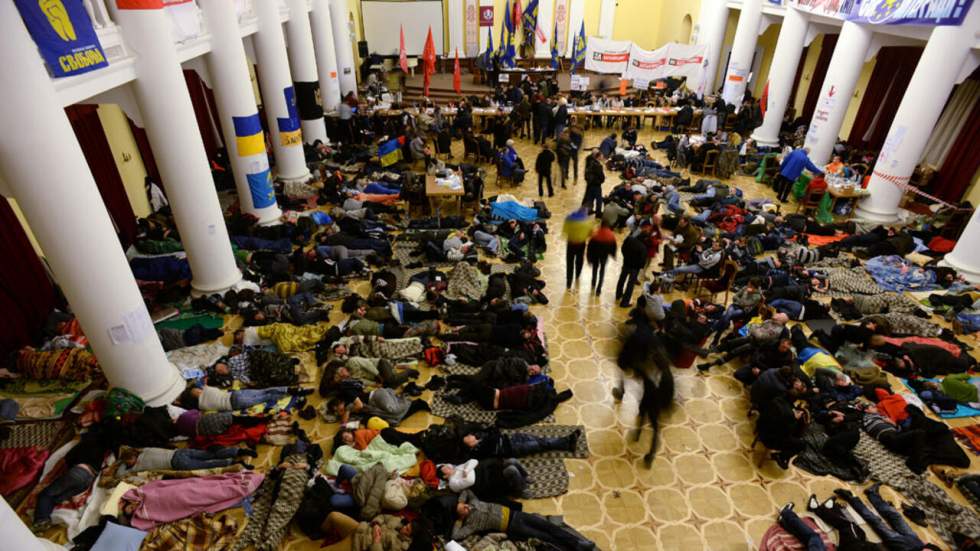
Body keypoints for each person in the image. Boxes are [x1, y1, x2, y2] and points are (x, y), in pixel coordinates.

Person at [452, 490, 595, 549]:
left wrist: (460, 501)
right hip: (513, 527)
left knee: (549, 527)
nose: (466, 507)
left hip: (517, 514)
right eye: (463, 509)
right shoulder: (470, 524)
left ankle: (578, 543)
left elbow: (467, 491)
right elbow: (455, 536)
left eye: (464, 505)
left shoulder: (474, 502)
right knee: (545, 536)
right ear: (462, 515)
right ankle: (572, 547)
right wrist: (458, 520)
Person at [562, 208, 592, 289]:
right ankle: (577, 275)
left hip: (571, 244)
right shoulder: (587, 222)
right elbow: (590, 234)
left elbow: (565, 231)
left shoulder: (570, 218)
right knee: (579, 260)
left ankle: (569, 282)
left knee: (569, 262)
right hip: (581, 244)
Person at [616, 229, 648, 308]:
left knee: (621, 279)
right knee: (630, 285)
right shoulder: (643, 248)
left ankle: (618, 294)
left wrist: (625, 258)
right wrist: (638, 267)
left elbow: (622, 248)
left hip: (626, 263)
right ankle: (625, 302)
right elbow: (642, 261)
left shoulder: (629, 239)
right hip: (634, 268)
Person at [587, 222, 617, 296]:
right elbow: (613, 247)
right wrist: (613, 255)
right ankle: (599, 289)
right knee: (602, 270)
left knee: (595, 269)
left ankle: (593, 283)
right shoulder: (611, 235)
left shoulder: (595, 234)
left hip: (595, 256)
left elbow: (590, 247)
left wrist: (589, 258)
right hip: (604, 256)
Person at [583, 150, 605, 215]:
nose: (602, 157)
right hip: (596, 184)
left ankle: (589, 211)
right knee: (599, 199)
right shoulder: (598, 165)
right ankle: (598, 213)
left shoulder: (591, 162)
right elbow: (601, 176)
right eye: (601, 155)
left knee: (590, 198)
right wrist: (602, 180)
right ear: (598, 156)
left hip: (590, 183)